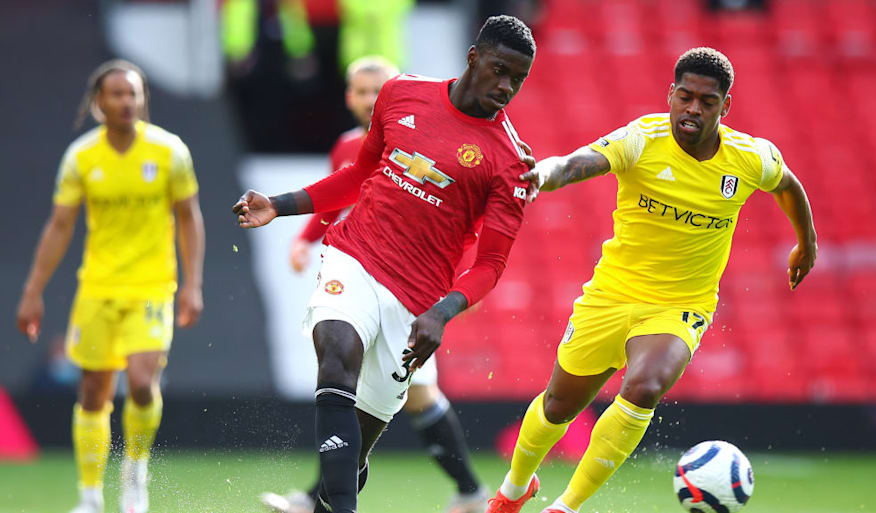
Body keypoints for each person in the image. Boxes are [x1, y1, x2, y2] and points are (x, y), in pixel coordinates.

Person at [486, 47, 817, 513]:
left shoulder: (750, 158)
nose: (693, 109)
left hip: (681, 304)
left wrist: (807, 242)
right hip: (612, 294)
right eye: (685, 97)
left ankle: (565, 507)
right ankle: (514, 489)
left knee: (644, 387)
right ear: (671, 95)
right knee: (559, 406)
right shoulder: (642, 139)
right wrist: (541, 174)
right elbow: (577, 163)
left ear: (725, 107)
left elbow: (789, 186)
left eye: (706, 101)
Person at [234, 15, 536, 513]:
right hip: (353, 255)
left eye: (517, 80)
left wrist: (444, 310)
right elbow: (358, 175)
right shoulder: (402, 94)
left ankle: (340, 500)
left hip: (414, 300)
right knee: (335, 348)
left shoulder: (510, 163)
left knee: (355, 448)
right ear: (473, 58)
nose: (506, 87)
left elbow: (492, 264)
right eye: (500, 70)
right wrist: (281, 204)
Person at [263, 56, 489, 513]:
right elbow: (340, 193)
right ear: (349, 97)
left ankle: (469, 491)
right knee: (343, 378)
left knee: (414, 397)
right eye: (361, 91)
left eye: (376, 90)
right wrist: (306, 238)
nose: (369, 100)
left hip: (411, 289)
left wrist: (457, 290)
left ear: (394, 94)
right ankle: (324, 497)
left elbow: (454, 223)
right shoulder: (348, 146)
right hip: (360, 269)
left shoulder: (424, 140)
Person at [16, 60, 205, 513]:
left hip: (151, 286)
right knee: (92, 393)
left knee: (141, 383)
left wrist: (192, 283)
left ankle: (135, 476)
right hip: (98, 288)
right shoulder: (82, 156)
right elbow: (59, 225)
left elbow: (189, 218)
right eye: (116, 94)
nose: (126, 101)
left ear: (143, 100)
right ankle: (89, 496)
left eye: (133, 93)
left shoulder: (169, 152)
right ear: (98, 103)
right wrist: (32, 290)